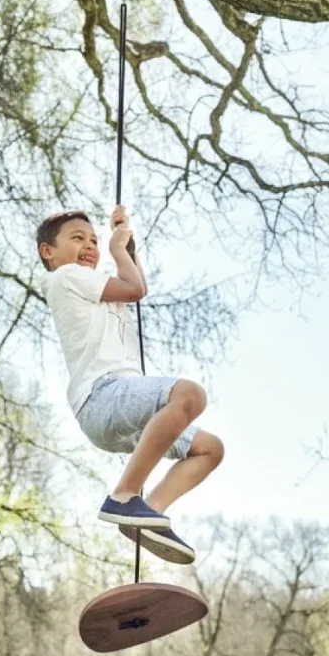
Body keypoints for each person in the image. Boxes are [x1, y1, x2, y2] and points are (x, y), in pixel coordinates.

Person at [37, 205, 224, 564]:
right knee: (190, 395)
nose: (90, 245)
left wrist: (130, 247)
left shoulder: (90, 284)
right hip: (102, 396)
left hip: (122, 410)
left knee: (210, 449)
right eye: (78, 238)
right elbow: (135, 289)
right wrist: (118, 249)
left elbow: (137, 285)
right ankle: (123, 496)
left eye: (93, 239)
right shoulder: (65, 277)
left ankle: (147, 513)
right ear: (49, 251)